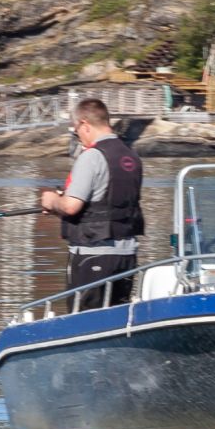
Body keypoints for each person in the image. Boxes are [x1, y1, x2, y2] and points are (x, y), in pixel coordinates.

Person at [36, 96, 145, 309]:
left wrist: (52, 201)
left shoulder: (92, 156)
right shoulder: (131, 157)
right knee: (117, 320)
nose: (77, 137)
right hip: (126, 258)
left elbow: (70, 207)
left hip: (93, 255)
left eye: (75, 131)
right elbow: (108, 199)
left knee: (83, 321)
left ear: (84, 124)